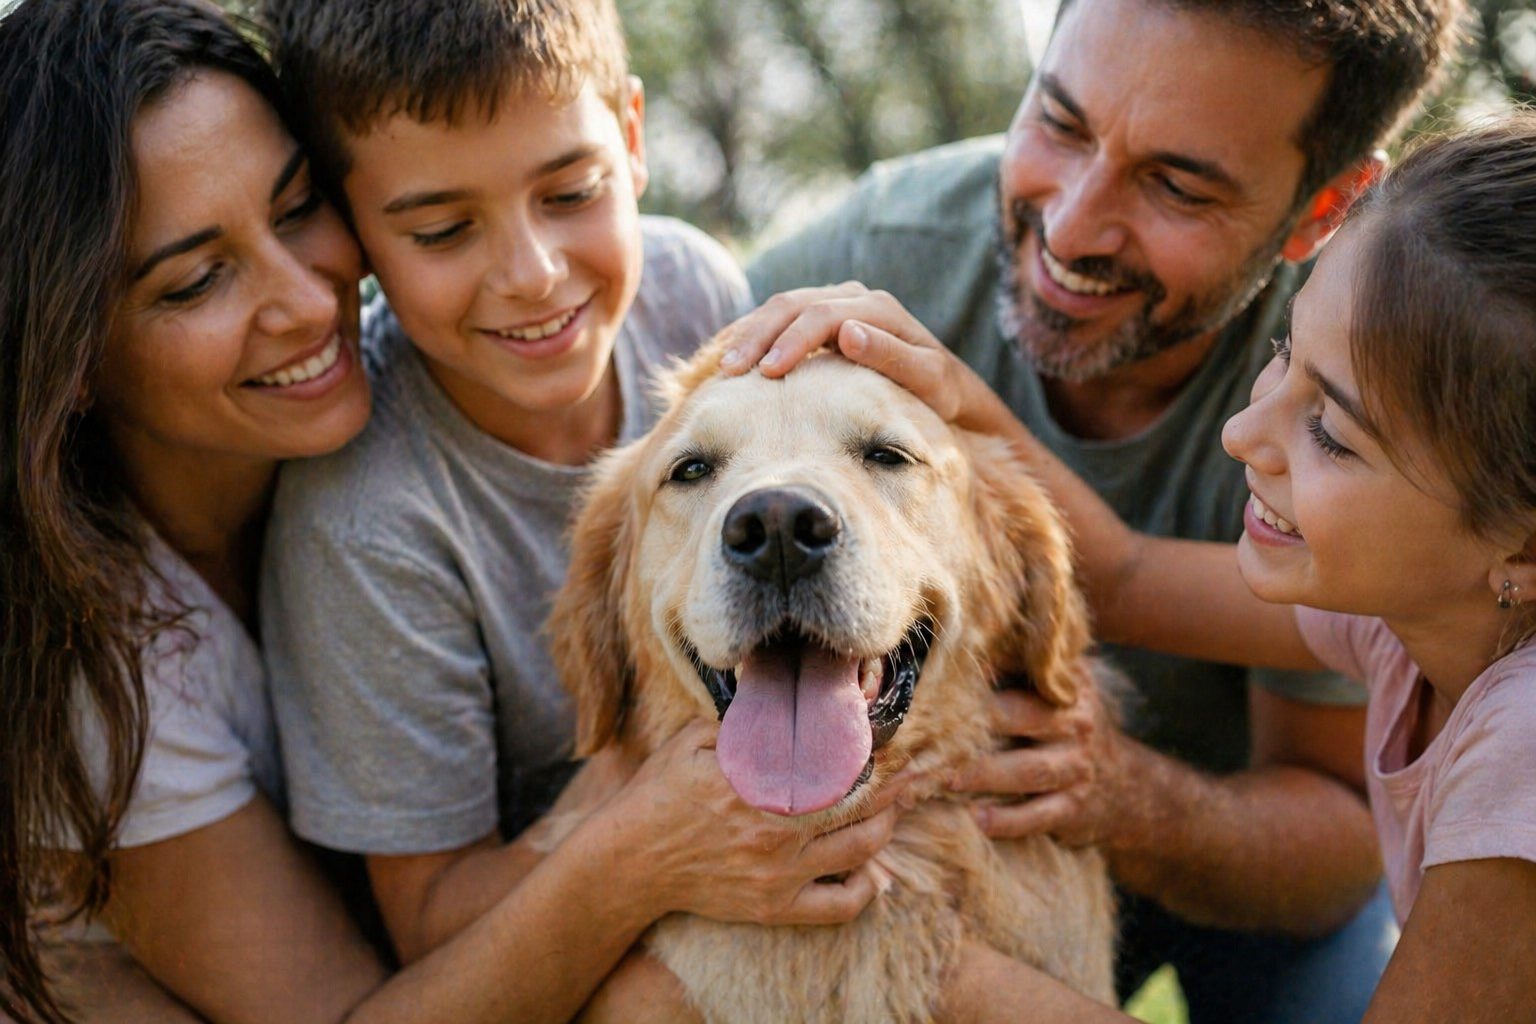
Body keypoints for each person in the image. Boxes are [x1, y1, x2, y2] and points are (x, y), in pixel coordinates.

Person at [2, 2, 730, 1022]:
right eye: (200, 279)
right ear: (67, 358)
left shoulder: (652, 300)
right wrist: (645, 835)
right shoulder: (95, 666)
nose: (307, 300)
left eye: (298, 210)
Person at [736, 0, 1463, 1017]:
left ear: (1325, 208)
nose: (1070, 228)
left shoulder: (1351, 397)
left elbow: (1343, 828)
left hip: (1251, 886)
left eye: (1177, 185)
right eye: (1059, 122)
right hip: (925, 863)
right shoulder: (865, 264)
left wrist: (1126, 801)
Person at [256, 0, 902, 1001]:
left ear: (632, 138)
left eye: (572, 192)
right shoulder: (365, 514)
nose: (532, 274)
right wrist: (643, 839)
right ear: (352, 232)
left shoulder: (687, 291)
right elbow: (427, 921)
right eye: (441, 228)